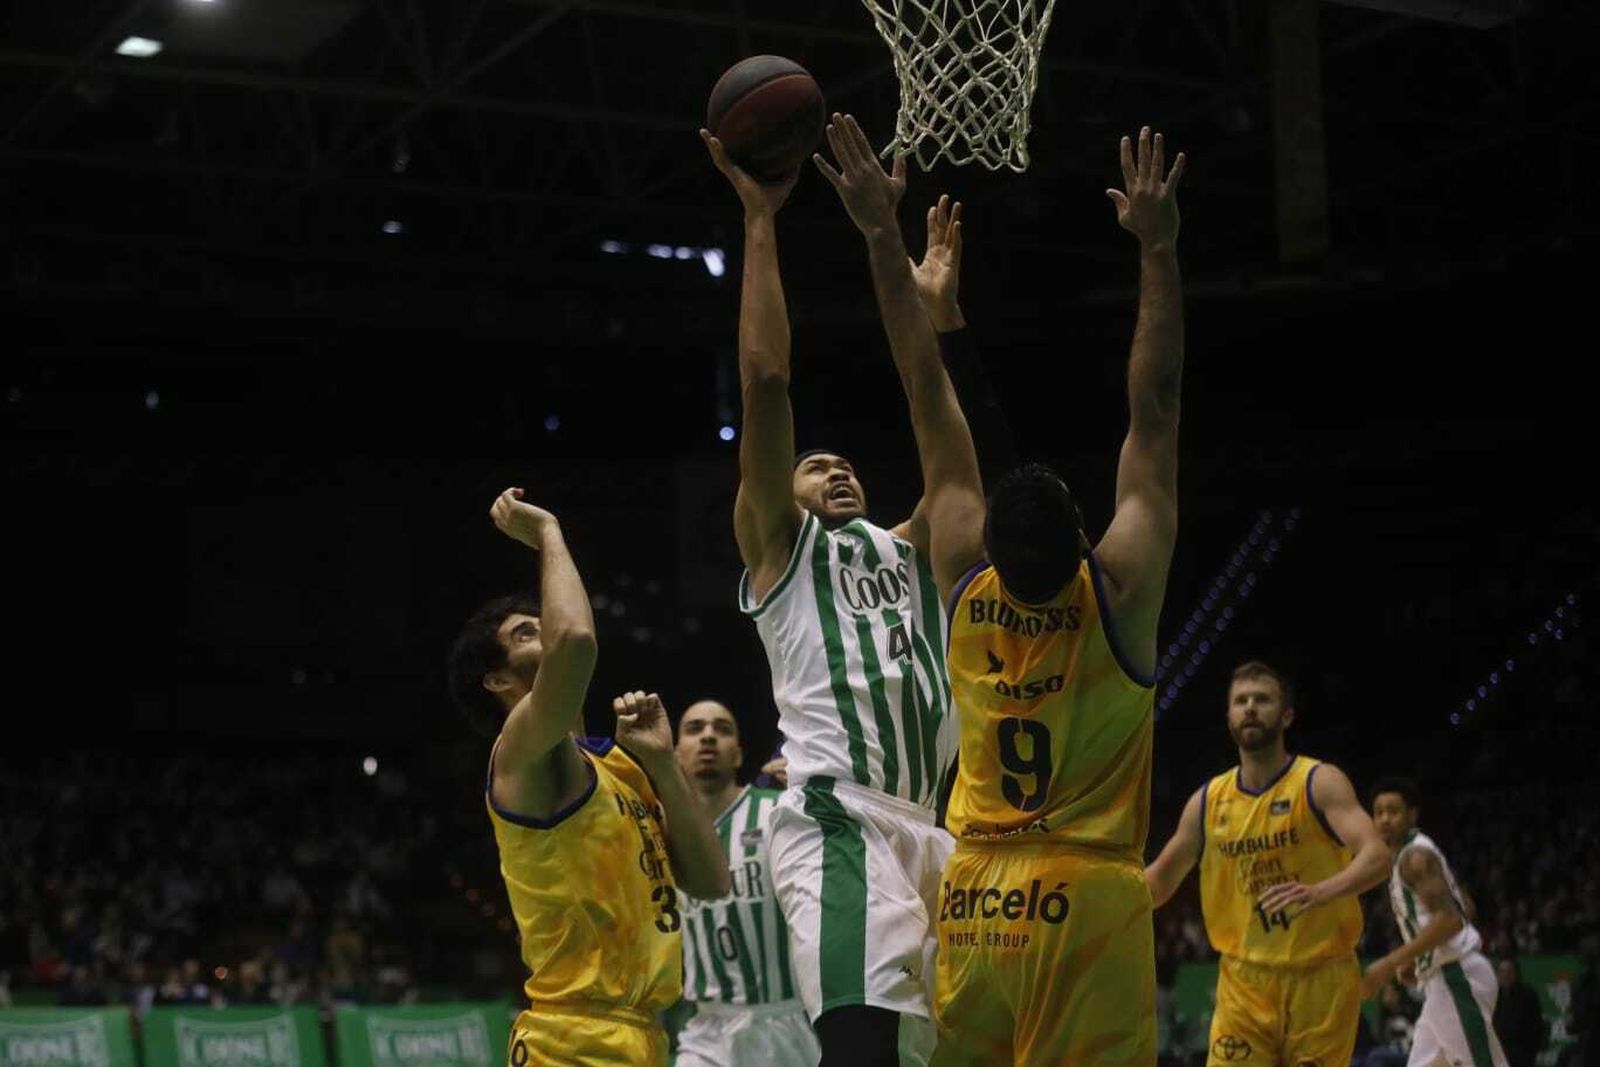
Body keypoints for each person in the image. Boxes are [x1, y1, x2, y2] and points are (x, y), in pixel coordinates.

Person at [700, 111, 985, 1065]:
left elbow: (950, 450)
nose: (834, 468)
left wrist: (935, 316)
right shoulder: (781, 554)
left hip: (940, 832)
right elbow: (767, 384)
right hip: (839, 817)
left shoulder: (912, 548)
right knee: (860, 1053)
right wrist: (761, 219)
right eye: (812, 465)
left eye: (844, 461)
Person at [923, 124, 1186, 1065]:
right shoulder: (1117, 592)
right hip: (1086, 894)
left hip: (977, 894)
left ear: (986, 546)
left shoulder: (960, 585)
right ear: (1085, 536)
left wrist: (934, 319)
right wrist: (1157, 249)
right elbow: (1154, 411)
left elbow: (944, 428)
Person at [448, 488, 729, 1066]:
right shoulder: (520, 755)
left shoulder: (618, 767)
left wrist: (663, 765)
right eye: (525, 633)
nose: (545, 632)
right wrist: (549, 531)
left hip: (644, 1036)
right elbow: (574, 641)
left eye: (540, 623)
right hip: (569, 1042)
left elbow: (710, 881)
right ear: (496, 681)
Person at [1145, 661, 1392, 1066]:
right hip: (1243, 983)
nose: (1250, 708)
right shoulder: (1207, 801)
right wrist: (1099, 904)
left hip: (1321, 979)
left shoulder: (1319, 782)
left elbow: (1377, 856)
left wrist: (1319, 892)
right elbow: (1159, 881)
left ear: (1287, 715)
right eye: (1240, 701)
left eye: (1262, 699)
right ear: (1228, 716)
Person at [672, 699, 819, 1067]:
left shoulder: (778, 812)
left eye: (721, 729)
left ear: (737, 755)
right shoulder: (663, 833)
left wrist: (814, 802)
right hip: (707, 1028)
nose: (708, 736)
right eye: (695, 729)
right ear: (675, 753)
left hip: (788, 1019)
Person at [1367, 777, 1509, 1067]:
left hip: (1457, 976)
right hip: (1441, 980)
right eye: (1378, 812)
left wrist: (1391, 962)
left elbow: (1451, 920)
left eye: (1393, 811)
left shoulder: (1414, 857)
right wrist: (1415, 957)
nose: (1384, 819)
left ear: (1412, 814)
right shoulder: (1411, 854)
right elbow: (1466, 906)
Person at [1492, 957, 1546, 1067]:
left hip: (1522, 1051)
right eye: (1502, 972)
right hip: (1499, 1050)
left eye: (1509, 972)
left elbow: (1535, 1027)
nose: (1506, 976)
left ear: (1516, 974)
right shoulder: (1493, 996)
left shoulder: (1528, 995)